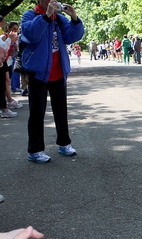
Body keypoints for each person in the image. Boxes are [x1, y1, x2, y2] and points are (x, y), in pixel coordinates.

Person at [21, 0, 84, 163]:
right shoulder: (30, 15)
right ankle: (34, 151)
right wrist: (46, 15)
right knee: (37, 113)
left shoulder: (60, 19)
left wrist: (74, 18)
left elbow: (72, 36)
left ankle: (64, 144)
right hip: (38, 72)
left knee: (61, 111)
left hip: (58, 72)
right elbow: (30, 35)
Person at [0, 28, 19, 118]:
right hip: (3, 63)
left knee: (5, 83)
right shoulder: (4, 37)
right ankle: (5, 108)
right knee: (3, 85)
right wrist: (9, 39)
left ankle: (6, 106)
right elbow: (3, 47)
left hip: (4, 63)